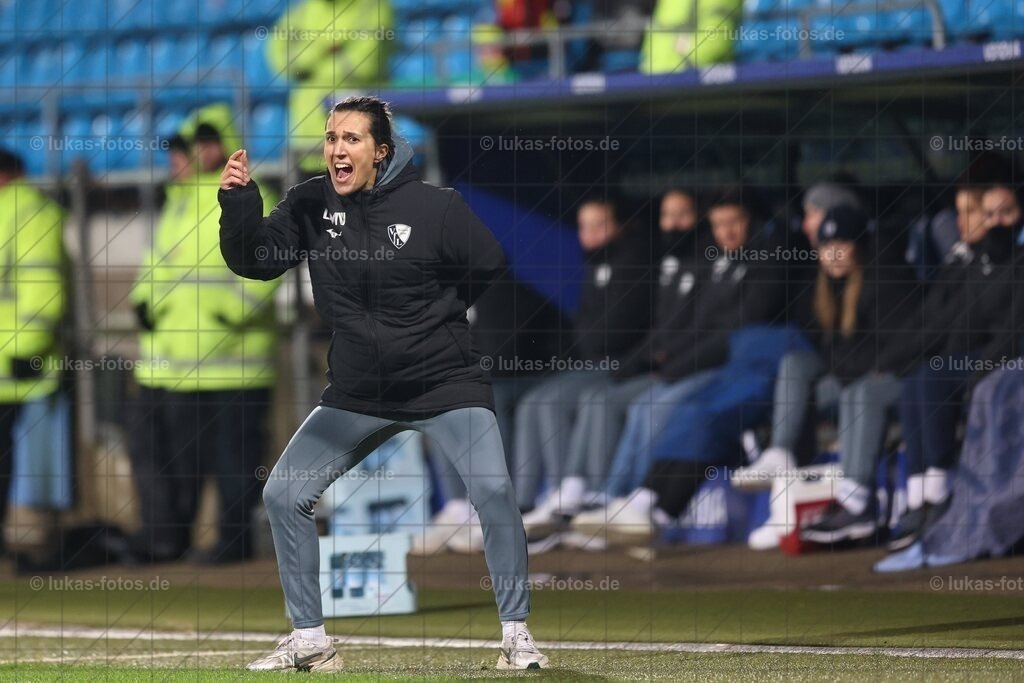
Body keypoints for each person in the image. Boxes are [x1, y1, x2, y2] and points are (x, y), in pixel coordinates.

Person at [219, 96, 547, 672]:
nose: (336, 149)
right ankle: (311, 642)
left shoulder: (435, 206)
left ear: (381, 151)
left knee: (494, 493)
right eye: (330, 138)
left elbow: (490, 263)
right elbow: (257, 260)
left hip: (445, 383)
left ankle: (516, 636)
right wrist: (240, 202)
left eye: (350, 139)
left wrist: (441, 313)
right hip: (358, 393)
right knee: (283, 494)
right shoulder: (310, 202)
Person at [571, 190, 798, 542]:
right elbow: (687, 328)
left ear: (753, 223)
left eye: (734, 222)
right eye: (719, 224)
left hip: (729, 371)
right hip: (694, 367)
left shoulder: (766, 260)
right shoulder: (717, 263)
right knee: (640, 406)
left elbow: (733, 332)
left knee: (659, 408)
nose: (727, 232)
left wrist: (678, 364)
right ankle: (617, 499)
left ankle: (633, 501)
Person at [130, 105, 280, 564]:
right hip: (181, 367)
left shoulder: (257, 194)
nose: (186, 156)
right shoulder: (178, 199)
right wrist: (144, 302)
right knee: (185, 464)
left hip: (236, 364)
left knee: (236, 465)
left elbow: (268, 270)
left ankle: (234, 544)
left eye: (192, 146)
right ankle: (178, 542)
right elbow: (157, 263)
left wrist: (224, 314)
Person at [875, 180, 1022, 551]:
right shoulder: (980, 263)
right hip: (981, 360)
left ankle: (942, 493)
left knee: (948, 377)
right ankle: (923, 494)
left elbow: (1012, 332)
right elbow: (959, 327)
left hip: (1010, 363)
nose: (996, 222)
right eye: (989, 215)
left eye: (1005, 213)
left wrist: (976, 373)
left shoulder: (1015, 263)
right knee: (922, 379)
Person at [773, 206, 919, 543]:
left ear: (860, 246)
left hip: (902, 377)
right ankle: (783, 488)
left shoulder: (887, 275)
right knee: (798, 376)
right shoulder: (827, 287)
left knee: (861, 392)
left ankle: (857, 503)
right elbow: (827, 350)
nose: (833, 254)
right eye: (826, 247)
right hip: (854, 378)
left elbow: (893, 351)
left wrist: (852, 369)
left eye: (842, 244)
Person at [511, 195, 653, 524]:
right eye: (584, 227)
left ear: (620, 226)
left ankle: (568, 494)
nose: (589, 234)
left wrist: (595, 341)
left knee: (555, 402)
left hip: (625, 364)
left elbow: (617, 331)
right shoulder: (596, 265)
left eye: (599, 225)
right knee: (533, 402)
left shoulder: (635, 261)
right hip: (594, 364)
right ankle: (523, 504)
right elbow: (585, 327)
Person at [0, 149, 66, 557]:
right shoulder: (29, 209)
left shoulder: (27, 210)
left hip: (13, 358)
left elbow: (40, 284)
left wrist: (27, 348)